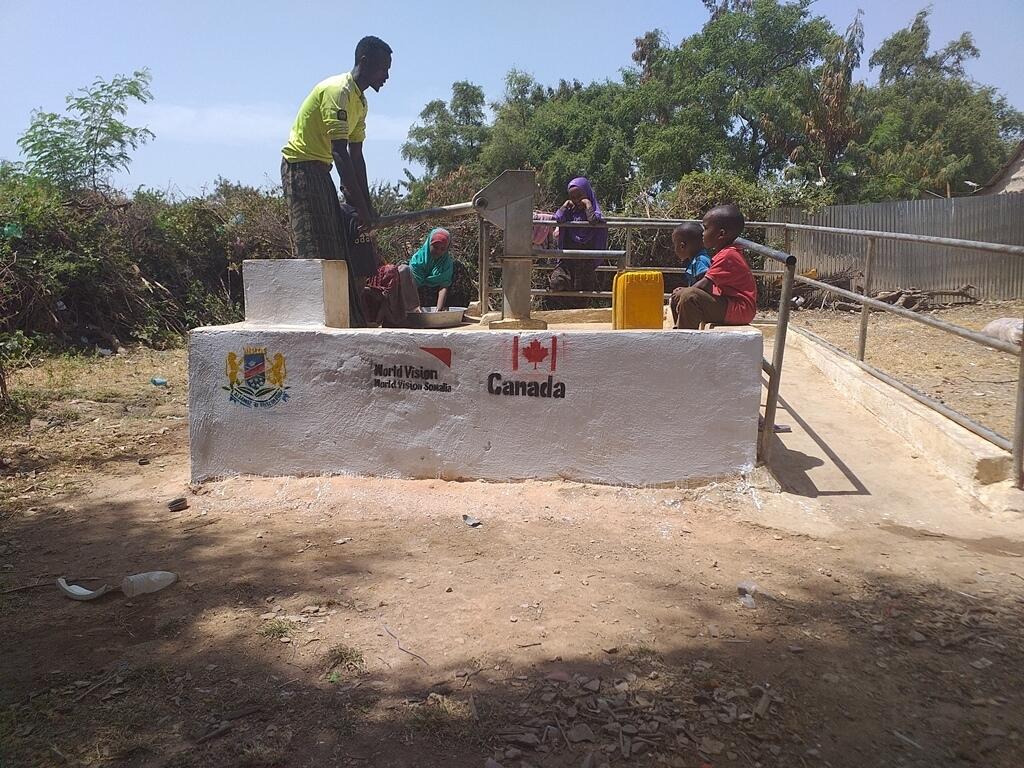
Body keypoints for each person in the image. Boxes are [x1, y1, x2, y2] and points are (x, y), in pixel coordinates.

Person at [280, 35, 392, 262]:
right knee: (314, 247)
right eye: (383, 69)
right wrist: (361, 208)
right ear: (364, 62)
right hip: (300, 167)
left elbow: (356, 156)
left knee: (335, 243)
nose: (387, 76)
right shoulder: (338, 91)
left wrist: (367, 208)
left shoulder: (361, 103)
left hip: (321, 170)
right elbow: (339, 152)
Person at [672, 204, 757, 330]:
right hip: (730, 304)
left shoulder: (728, 255)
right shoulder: (724, 253)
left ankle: (684, 341)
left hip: (739, 309)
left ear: (721, 234)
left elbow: (705, 285)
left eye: (705, 229)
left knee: (689, 296)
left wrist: (685, 291)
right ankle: (679, 330)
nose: (702, 234)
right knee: (680, 295)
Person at [548, 177, 607, 308]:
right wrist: (564, 206)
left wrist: (588, 205)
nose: (577, 200)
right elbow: (558, 218)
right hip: (568, 260)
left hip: (586, 261)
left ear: (588, 193)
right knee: (557, 282)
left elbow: (593, 220)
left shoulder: (594, 211)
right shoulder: (570, 213)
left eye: (580, 196)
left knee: (582, 297)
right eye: (573, 197)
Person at [669, 222, 712, 326]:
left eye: (675, 245)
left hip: (701, 303)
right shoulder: (694, 260)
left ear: (682, 246)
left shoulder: (700, 261)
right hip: (697, 299)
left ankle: (682, 330)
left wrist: (686, 291)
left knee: (677, 298)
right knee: (675, 298)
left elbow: (706, 284)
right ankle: (678, 327)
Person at [404, 228, 455, 312]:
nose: (438, 251)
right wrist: (416, 306)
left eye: (442, 249)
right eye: (435, 247)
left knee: (459, 268)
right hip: (417, 298)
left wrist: (438, 309)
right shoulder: (417, 260)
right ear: (429, 244)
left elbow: (444, 286)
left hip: (439, 299)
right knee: (403, 269)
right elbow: (412, 286)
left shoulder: (446, 263)